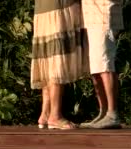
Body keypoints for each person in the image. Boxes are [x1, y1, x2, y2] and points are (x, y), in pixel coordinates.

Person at [31, 0, 89, 130]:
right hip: (60, 7)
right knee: (57, 57)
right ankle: (55, 116)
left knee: (48, 56)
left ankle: (45, 114)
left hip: (44, 8)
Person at [79, 0, 124, 129]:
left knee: (105, 65)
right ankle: (103, 112)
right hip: (89, 16)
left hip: (103, 16)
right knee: (95, 67)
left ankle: (112, 113)